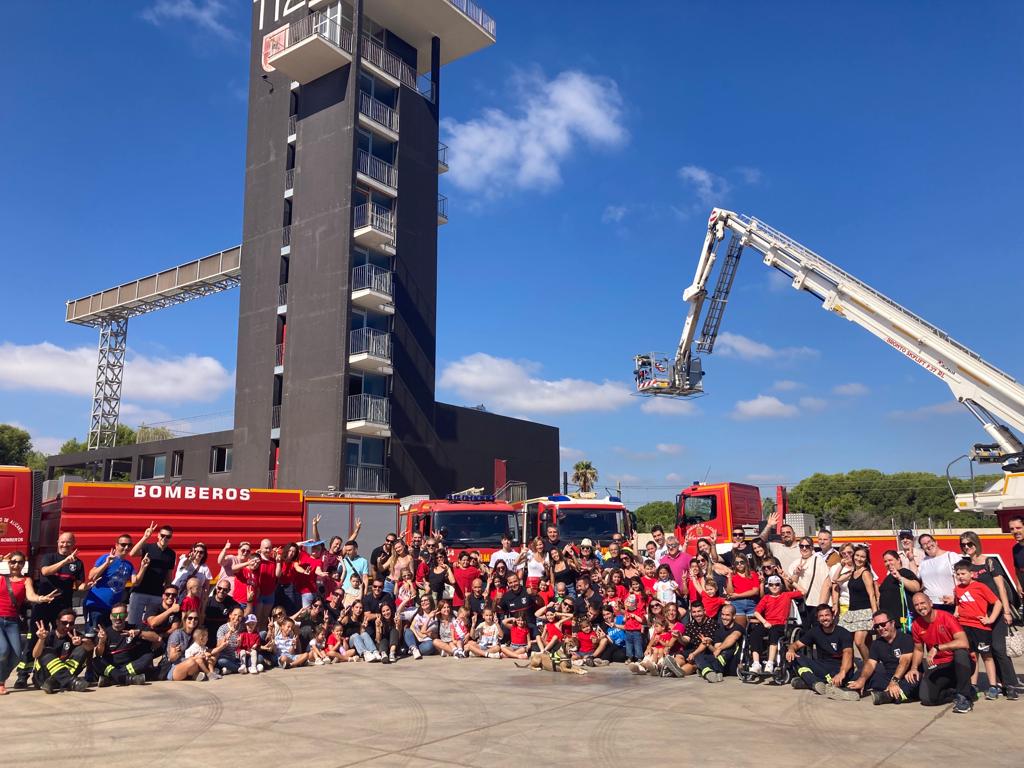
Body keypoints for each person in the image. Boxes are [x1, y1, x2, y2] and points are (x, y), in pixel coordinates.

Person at [959, 530, 1020, 698]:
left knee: (999, 649)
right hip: (979, 615)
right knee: (987, 650)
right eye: (963, 545)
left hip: (998, 611)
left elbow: (1001, 587)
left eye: (969, 544)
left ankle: (1011, 685)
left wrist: (1007, 612)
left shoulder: (989, 562)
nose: (967, 547)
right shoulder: (966, 565)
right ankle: (998, 683)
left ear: (976, 543)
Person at [1, 551, 59, 695]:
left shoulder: (26, 580)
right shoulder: (1, 578)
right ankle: (1, 682)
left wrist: (41, 599)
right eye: (13, 561)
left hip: (12, 621)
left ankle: (1, 679)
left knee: (16, 656)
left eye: (20, 562)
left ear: (23, 564)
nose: (16, 565)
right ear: (8, 563)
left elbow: (30, 595)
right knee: (2, 651)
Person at [908, 591, 973, 713]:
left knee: (961, 652)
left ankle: (964, 697)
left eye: (923, 603)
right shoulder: (916, 625)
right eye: (916, 605)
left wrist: (938, 647)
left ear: (931, 603)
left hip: (959, 664)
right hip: (939, 665)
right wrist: (914, 668)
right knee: (926, 699)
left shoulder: (946, 617)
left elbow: (964, 642)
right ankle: (953, 692)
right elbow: (918, 649)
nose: (920, 607)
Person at [952, 559, 1006, 700]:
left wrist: (991, 619)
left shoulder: (980, 587)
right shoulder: (957, 589)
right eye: (958, 574)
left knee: (987, 656)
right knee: (972, 656)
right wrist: (956, 612)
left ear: (972, 574)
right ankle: (973, 686)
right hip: (964, 627)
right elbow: (958, 602)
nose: (960, 576)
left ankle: (993, 686)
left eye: (963, 573)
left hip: (980, 627)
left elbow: (997, 603)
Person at [846, 610, 918, 705]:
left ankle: (888, 696)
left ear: (892, 623)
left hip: (904, 676)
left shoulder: (906, 638)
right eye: (876, 626)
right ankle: (852, 689)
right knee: (862, 672)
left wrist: (894, 681)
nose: (880, 628)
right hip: (888, 678)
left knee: (914, 679)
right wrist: (862, 679)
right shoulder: (877, 643)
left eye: (883, 624)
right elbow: (871, 663)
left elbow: (904, 662)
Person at [786, 604, 857, 700]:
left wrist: (842, 672)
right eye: (821, 616)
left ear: (833, 616)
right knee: (795, 657)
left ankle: (810, 682)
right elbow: (796, 645)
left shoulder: (844, 633)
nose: (824, 618)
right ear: (818, 619)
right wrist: (791, 650)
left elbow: (848, 653)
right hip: (822, 666)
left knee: (840, 678)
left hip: (839, 667)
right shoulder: (814, 632)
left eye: (827, 615)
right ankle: (817, 683)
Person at [748, 575, 803, 675]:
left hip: (781, 624)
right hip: (767, 623)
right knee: (755, 633)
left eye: (777, 584)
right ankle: (756, 664)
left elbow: (803, 592)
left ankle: (770, 663)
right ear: (768, 586)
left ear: (781, 586)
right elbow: (756, 612)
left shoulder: (786, 595)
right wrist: (764, 622)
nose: (774, 587)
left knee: (774, 633)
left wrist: (791, 581)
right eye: (771, 585)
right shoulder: (766, 598)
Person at [93, 602, 156, 686]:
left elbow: (157, 638)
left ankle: (113, 679)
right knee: (96, 661)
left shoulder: (134, 628)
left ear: (126, 615)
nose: (118, 618)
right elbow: (98, 653)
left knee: (148, 656)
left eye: (121, 615)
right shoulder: (104, 632)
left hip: (130, 666)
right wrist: (102, 640)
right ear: (110, 616)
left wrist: (139, 633)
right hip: (111, 666)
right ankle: (129, 679)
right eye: (115, 615)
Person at [32, 608, 93, 694]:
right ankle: (70, 681)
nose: (67, 626)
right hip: (44, 676)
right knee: (47, 651)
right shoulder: (48, 635)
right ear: (57, 622)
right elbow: (35, 654)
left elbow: (91, 647)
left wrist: (82, 642)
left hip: (63, 674)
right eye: (64, 623)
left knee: (82, 648)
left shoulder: (75, 635)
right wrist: (41, 639)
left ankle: (53, 682)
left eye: (71, 623)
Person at [128, 522, 177, 628]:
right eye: (162, 535)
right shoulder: (148, 547)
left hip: (157, 594)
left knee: (151, 625)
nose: (164, 538)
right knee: (133, 623)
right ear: (158, 535)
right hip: (139, 591)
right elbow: (132, 553)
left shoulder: (171, 554)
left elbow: (169, 575)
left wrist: (167, 593)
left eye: (168, 536)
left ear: (170, 538)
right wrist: (145, 537)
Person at [83, 534, 136, 629]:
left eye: (129, 545)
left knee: (107, 637)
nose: (126, 547)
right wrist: (107, 563)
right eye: (123, 544)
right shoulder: (105, 558)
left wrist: (144, 567)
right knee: (91, 636)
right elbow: (91, 576)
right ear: (116, 545)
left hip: (113, 610)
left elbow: (136, 581)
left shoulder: (129, 565)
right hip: (96, 606)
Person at [838, 544, 878, 661]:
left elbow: (871, 594)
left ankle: (868, 666)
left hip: (864, 611)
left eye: (862, 557)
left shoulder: (865, 573)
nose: (859, 559)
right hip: (852, 612)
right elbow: (836, 580)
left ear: (866, 559)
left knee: (859, 642)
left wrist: (875, 613)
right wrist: (841, 565)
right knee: (862, 642)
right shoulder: (852, 572)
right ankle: (872, 663)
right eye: (857, 555)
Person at [693, 604, 743, 683]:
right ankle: (709, 672)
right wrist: (708, 644)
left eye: (727, 615)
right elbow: (716, 651)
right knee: (698, 656)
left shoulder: (738, 628)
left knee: (731, 646)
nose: (724, 617)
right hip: (720, 663)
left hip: (733, 664)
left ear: (733, 616)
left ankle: (707, 669)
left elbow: (733, 637)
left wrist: (720, 648)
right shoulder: (719, 631)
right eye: (722, 614)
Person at [787, 536, 829, 625]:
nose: (804, 548)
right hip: (801, 603)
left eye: (807, 546)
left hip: (816, 602)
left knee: (817, 630)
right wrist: (796, 573)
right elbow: (790, 585)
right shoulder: (794, 563)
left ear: (812, 547)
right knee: (805, 631)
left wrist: (822, 605)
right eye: (802, 546)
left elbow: (826, 583)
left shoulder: (819, 561)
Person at [876, 549, 921, 633]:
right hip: (889, 624)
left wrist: (900, 578)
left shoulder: (904, 572)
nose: (888, 563)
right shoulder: (888, 577)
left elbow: (916, 587)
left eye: (890, 560)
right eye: (885, 561)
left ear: (898, 560)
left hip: (902, 623)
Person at [917, 533, 958, 613]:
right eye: (924, 544)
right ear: (922, 548)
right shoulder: (923, 562)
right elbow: (917, 580)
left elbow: (963, 579)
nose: (928, 545)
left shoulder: (951, 556)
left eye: (929, 542)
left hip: (950, 604)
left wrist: (956, 599)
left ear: (936, 542)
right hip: (931, 606)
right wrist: (911, 560)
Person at [726, 555, 760, 628]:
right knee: (740, 629)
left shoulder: (753, 574)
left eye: (741, 562)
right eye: (737, 563)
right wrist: (729, 578)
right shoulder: (733, 575)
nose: (739, 564)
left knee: (753, 629)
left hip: (752, 604)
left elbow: (755, 591)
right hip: (738, 604)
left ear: (746, 562)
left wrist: (738, 595)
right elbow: (730, 593)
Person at [404, 595, 437, 659]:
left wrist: (422, 634)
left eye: (426, 600)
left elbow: (429, 633)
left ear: (430, 601)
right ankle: (414, 649)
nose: (423, 602)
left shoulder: (435, 616)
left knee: (430, 646)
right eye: (422, 601)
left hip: (427, 641)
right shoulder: (419, 614)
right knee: (407, 631)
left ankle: (412, 649)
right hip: (416, 640)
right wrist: (418, 635)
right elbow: (412, 627)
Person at [213, 607, 245, 674]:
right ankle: (242, 668)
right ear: (230, 615)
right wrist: (229, 633)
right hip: (226, 657)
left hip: (239, 657)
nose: (236, 618)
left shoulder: (243, 627)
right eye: (235, 615)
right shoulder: (222, 628)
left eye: (240, 616)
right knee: (221, 661)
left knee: (259, 658)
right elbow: (218, 646)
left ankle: (232, 669)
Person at [1009, 516, 1024, 594]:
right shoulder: (1015, 548)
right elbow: (1018, 568)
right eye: (1012, 529)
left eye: (1018, 528)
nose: (1015, 531)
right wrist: (1018, 585)